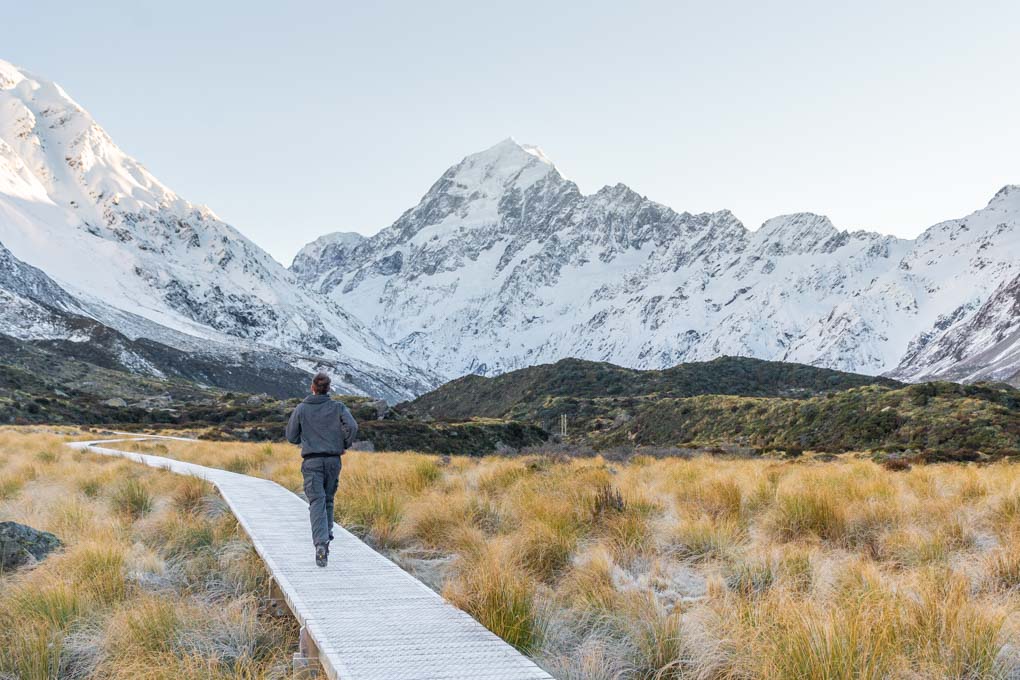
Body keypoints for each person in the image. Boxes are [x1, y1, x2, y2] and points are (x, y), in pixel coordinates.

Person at [285, 372, 358, 567]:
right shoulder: (338, 407)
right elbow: (352, 426)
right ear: (329, 388)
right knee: (328, 498)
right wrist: (344, 444)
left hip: (312, 461)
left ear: (312, 388)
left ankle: (320, 543)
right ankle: (327, 535)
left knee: (316, 501)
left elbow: (291, 437)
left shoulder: (301, 409)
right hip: (333, 460)